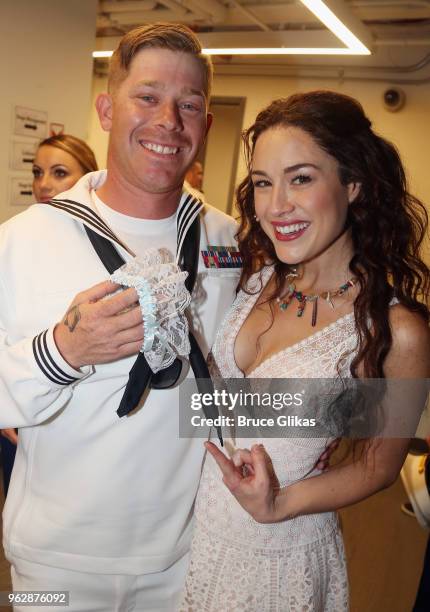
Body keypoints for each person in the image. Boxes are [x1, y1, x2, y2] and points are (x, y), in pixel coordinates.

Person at [0, 23, 240, 611]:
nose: (169, 121)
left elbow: (231, 386)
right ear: (107, 109)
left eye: (189, 105)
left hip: (184, 554)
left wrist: (354, 419)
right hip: (55, 564)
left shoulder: (228, 239)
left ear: (205, 126)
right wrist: (61, 354)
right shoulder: (21, 241)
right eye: (148, 97)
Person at [180, 91, 430, 611]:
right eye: (265, 183)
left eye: (301, 178)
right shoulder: (254, 276)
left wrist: (280, 503)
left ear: (353, 184)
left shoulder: (395, 330)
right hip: (194, 536)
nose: (276, 207)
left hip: (280, 558)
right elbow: (223, 408)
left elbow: (379, 466)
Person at [0, 134, 98, 496]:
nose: (44, 184)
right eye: (38, 172)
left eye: (59, 173)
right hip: (23, 422)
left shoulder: (107, 246)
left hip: (86, 428)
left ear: (89, 176)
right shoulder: (13, 240)